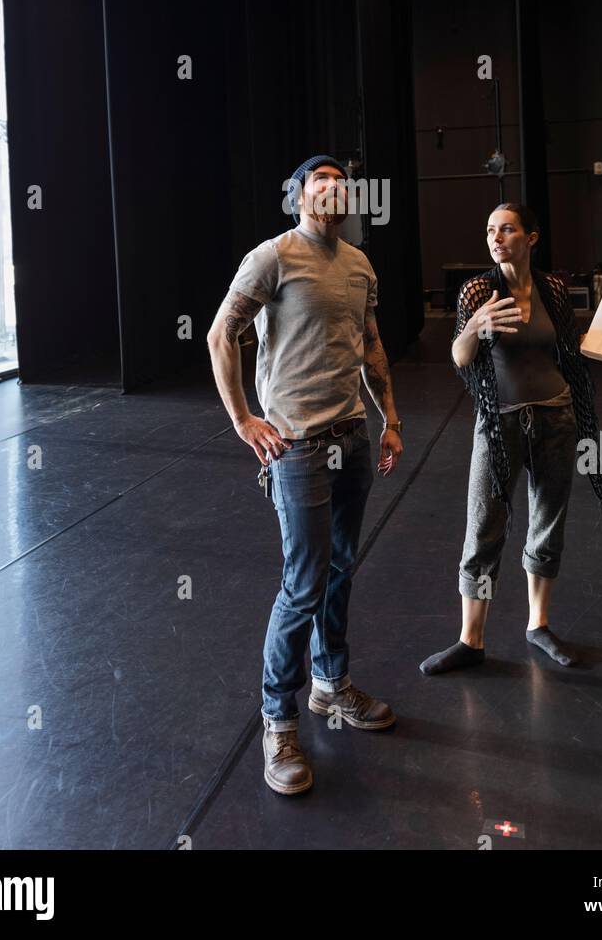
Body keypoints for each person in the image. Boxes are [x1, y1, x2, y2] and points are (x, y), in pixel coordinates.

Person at [206, 154, 404, 796]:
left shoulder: (360, 264)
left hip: (352, 434)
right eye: (320, 181)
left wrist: (391, 418)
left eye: (341, 183)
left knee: (342, 566)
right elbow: (221, 335)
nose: (333, 189)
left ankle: (331, 685)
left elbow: (370, 344)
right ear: (297, 195)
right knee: (303, 582)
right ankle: (278, 719)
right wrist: (243, 420)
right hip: (294, 447)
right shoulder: (272, 257)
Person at [420, 203, 602, 675]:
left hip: (555, 416)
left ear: (531, 237)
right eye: (490, 230)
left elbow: (577, 351)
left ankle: (539, 624)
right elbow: (459, 356)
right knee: (484, 526)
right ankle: (471, 640)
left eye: (507, 229)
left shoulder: (552, 289)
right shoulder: (478, 291)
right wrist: (473, 327)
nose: (496, 237)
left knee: (547, 520)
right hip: (501, 423)